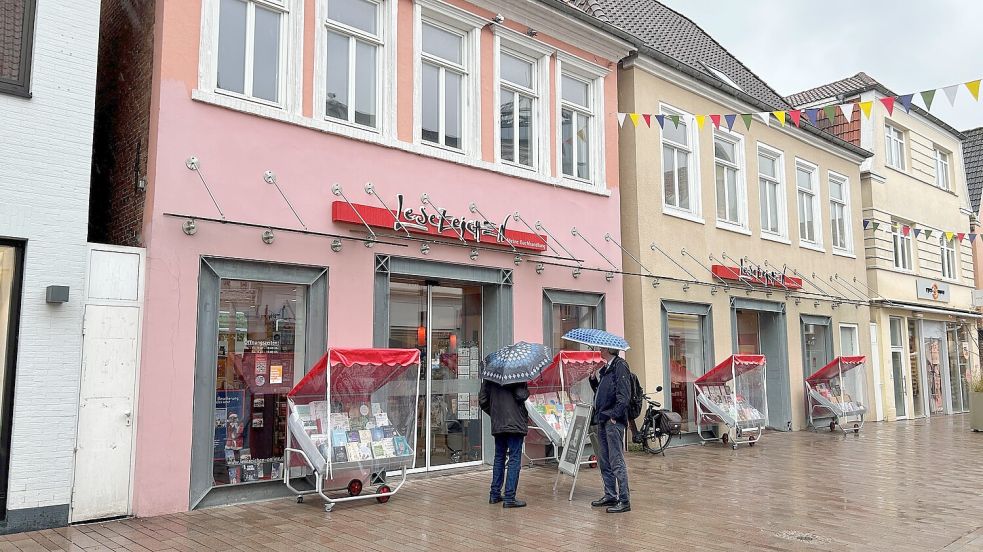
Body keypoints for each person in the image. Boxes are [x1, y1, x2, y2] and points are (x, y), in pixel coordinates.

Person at [588, 348, 631, 513]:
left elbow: (623, 395)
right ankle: (610, 494)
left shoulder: (620, 366)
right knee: (604, 459)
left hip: (612, 421)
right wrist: (593, 379)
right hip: (603, 419)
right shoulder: (607, 368)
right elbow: (603, 393)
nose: (599, 350)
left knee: (616, 460)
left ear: (608, 350)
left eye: (602, 348)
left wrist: (614, 415)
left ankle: (624, 500)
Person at [479, 378, 530, 508]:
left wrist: (496, 414)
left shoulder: (490, 376)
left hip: (499, 423)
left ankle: (494, 494)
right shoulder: (517, 375)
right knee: (514, 458)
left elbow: (483, 400)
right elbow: (521, 395)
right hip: (515, 423)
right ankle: (509, 497)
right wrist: (525, 386)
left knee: (499, 458)